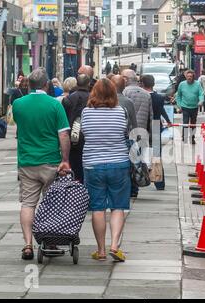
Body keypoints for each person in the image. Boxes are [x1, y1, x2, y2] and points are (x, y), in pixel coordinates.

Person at [12, 67, 71, 260]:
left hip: (27, 161)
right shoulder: (54, 105)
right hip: (50, 161)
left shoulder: (18, 104)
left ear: (29, 84)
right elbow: (63, 134)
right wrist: (65, 160)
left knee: (28, 204)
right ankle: (50, 241)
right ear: (46, 85)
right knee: (51, 203)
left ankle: (28, 244)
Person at [81, 78, 131, 262]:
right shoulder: (121, 111)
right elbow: (126, 133)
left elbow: (84, 134)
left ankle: (101, 250)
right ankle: (114, 246)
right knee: (118, 206)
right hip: (119, 163)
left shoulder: (86, 112)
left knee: (97, 207)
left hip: (93, 165)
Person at [121, 69, 153, 198]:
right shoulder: (147, 94)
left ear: (126, 80)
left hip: (128, 132)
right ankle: (135, 188)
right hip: (142, 132)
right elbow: (151, 116)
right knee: (137, 162)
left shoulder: (125, 93)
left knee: (127, 162)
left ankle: (129, 188)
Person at [140, 74, 173, 190]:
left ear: (142, 84)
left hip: (143, 126)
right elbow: (162, 110)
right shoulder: (159, 98)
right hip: (156, 126)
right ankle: (159, 183)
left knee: (139, 154)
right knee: (156, 155)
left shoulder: (141, 96)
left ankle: (139, 179)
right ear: (153, 84)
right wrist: (168, 120)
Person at [61, 74, 91, 182]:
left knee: (75, 168)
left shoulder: (68, 99)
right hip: (88, 137)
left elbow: (63, 121)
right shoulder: (93, 98)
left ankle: (76, 190)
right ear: (88, 83)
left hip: (73, 137)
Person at [175, 70, 204, 144]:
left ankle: (192, 138)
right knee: (185, 122)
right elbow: (178, 96)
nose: (189, 78)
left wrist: (201, 101)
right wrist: (179, 105)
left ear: (193, 77)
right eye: (188, 76)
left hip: (194, 107)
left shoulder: (197, 84)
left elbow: (201, 94)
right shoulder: (182, 84)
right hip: (185, 106)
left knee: (193, 124)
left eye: (191, 76)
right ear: (186, 77)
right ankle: (184, 138)